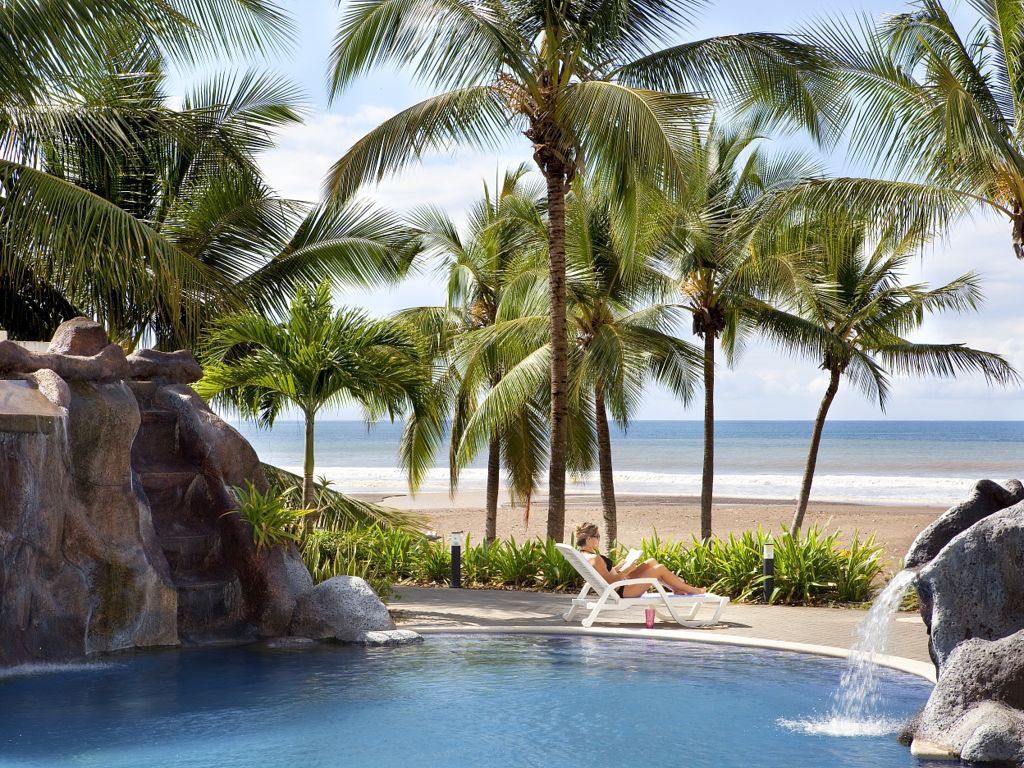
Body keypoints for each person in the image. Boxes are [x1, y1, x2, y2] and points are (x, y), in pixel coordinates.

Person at [574, 522, 704, 597]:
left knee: (651, 562)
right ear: (589, 539)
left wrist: (619, 567)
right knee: (659, 568)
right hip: (623, 590)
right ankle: (691, 590)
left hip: (620, 585)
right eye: (597, 536)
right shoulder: (595, 558)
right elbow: (609, 581)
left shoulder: (585, 555)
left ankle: (676, 588)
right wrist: (626, 571)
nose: (599, 539)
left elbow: (605, 575)